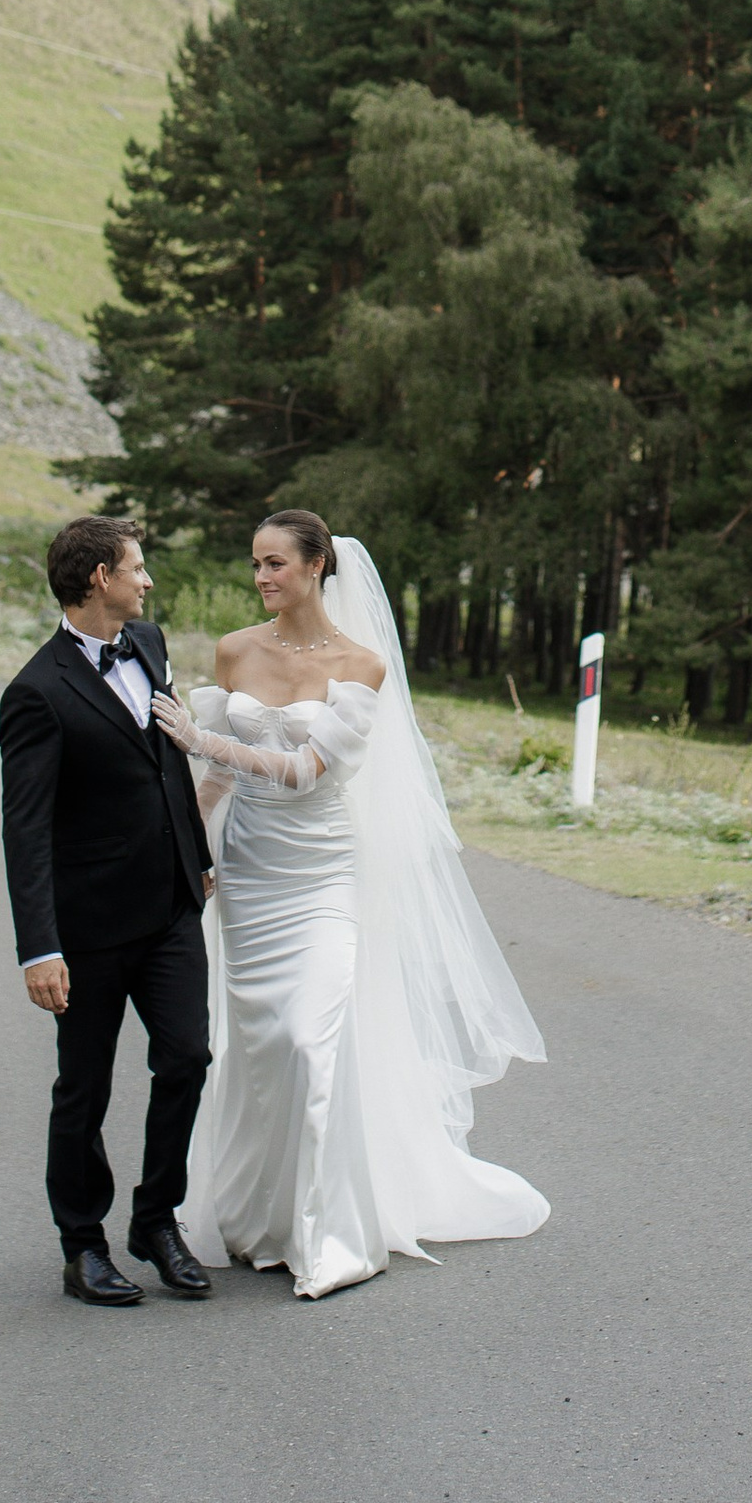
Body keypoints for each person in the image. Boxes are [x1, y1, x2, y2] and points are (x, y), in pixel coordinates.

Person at [154, 508, 549, 1299]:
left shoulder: (361, 666)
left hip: (321, 873)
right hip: (250, 875)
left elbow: (309, 771)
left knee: (309, 1040)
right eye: (256, 565)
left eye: (276, 565)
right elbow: (224, 784)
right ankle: (261, 1221)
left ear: (316, 568)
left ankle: (329, 1232)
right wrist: (192, 847)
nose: (263, 578)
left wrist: (202, 739)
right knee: (260, 1050)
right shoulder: (235, 649)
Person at [0, 514, 214, 1309]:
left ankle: (155, 1221)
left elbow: (164, 761)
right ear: (99, 578)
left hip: (169, 909)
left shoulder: (149, 644)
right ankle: (82, 1245)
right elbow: (25, 830)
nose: (146, 580)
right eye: (137, 567)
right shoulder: (35, 692)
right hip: (87, 930)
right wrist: (38, 948)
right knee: (83, 1089)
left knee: (187, 1059)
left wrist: (198, 855)